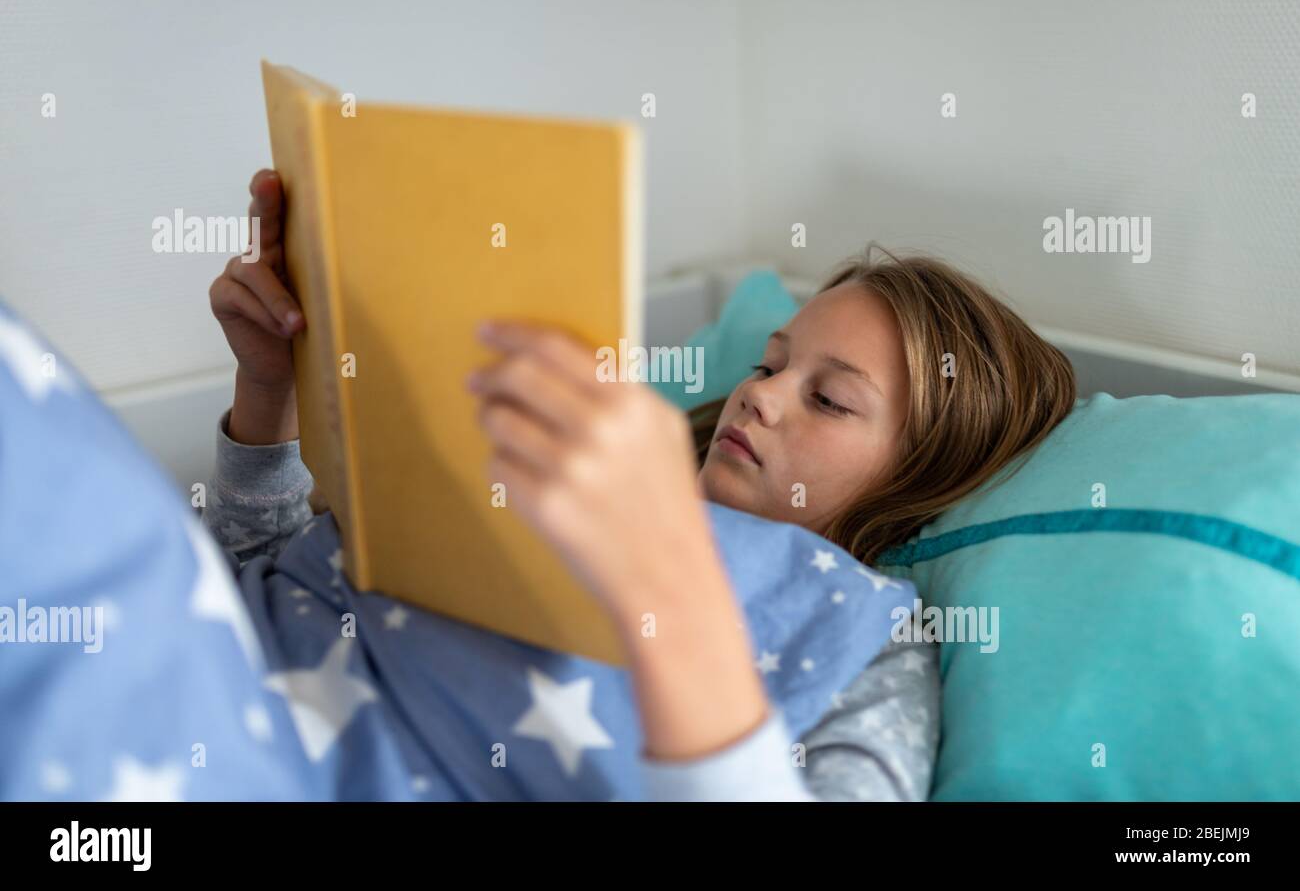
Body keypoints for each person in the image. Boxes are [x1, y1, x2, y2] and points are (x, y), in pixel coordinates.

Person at [204, 169, 1076, 800]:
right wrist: (271, 390)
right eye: (769, 363)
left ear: (922, 475)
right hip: (202, 685)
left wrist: (666, 581)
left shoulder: (859, 632)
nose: (760, 394)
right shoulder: (537, 477)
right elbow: (272, 586)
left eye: (829, 398)